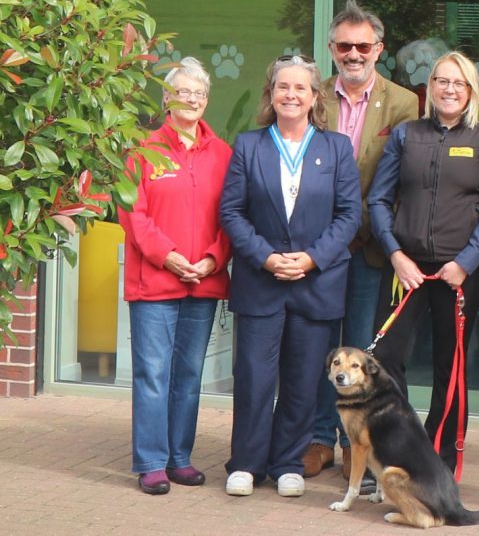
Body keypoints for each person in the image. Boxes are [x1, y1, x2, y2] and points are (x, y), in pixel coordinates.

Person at [219, 55, 361, 498]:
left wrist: (312, 258)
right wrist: (265, 257)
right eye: (283, 87)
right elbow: (232, 211)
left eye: (300, 88)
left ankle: (287, 463)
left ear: (315, 97)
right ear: (271, 94)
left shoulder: (336, 148)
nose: (291, 95)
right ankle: (246, 463)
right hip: (261, 282)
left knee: (302, 380)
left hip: (315, 283)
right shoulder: (249, 145)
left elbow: (349, 214)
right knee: (254, 377)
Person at [367, 51, 479, 473]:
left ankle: (439, 463)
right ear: (429, 88)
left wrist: (465, 263)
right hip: (405, 270)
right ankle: (400, 452)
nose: (449, 90)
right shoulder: (406, 135)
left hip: (459, 275)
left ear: (471, 92)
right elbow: (378, 198)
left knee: (451, 366)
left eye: (458, 83)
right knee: (386, 359)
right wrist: (395, 254)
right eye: (441, 82)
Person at [303, 0, 418, 482]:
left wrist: (369, 232)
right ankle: (316, 438)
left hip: (370, 245)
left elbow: (399, 180)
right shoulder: (312, 96)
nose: (354, 54)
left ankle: (357, 442)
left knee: (360, 349)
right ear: (331, 49)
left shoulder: (404, 103)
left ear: (379, 49)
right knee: (318, 343)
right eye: (345, 46)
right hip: (318, 245)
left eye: (363, 46)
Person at [118, 57, 232, 495]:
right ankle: (150, 461)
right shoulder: (142, 150)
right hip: (155, 283)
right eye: (182, 92)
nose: (191, 99)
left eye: (199, 93)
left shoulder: (223, 153)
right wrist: (167, 256)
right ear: (166, 98)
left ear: (206, 100)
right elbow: (132, 213)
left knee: (187, 373)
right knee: (152, 373)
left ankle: (179, 458)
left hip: (203, 280)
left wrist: (212, 258)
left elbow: (231, 215)